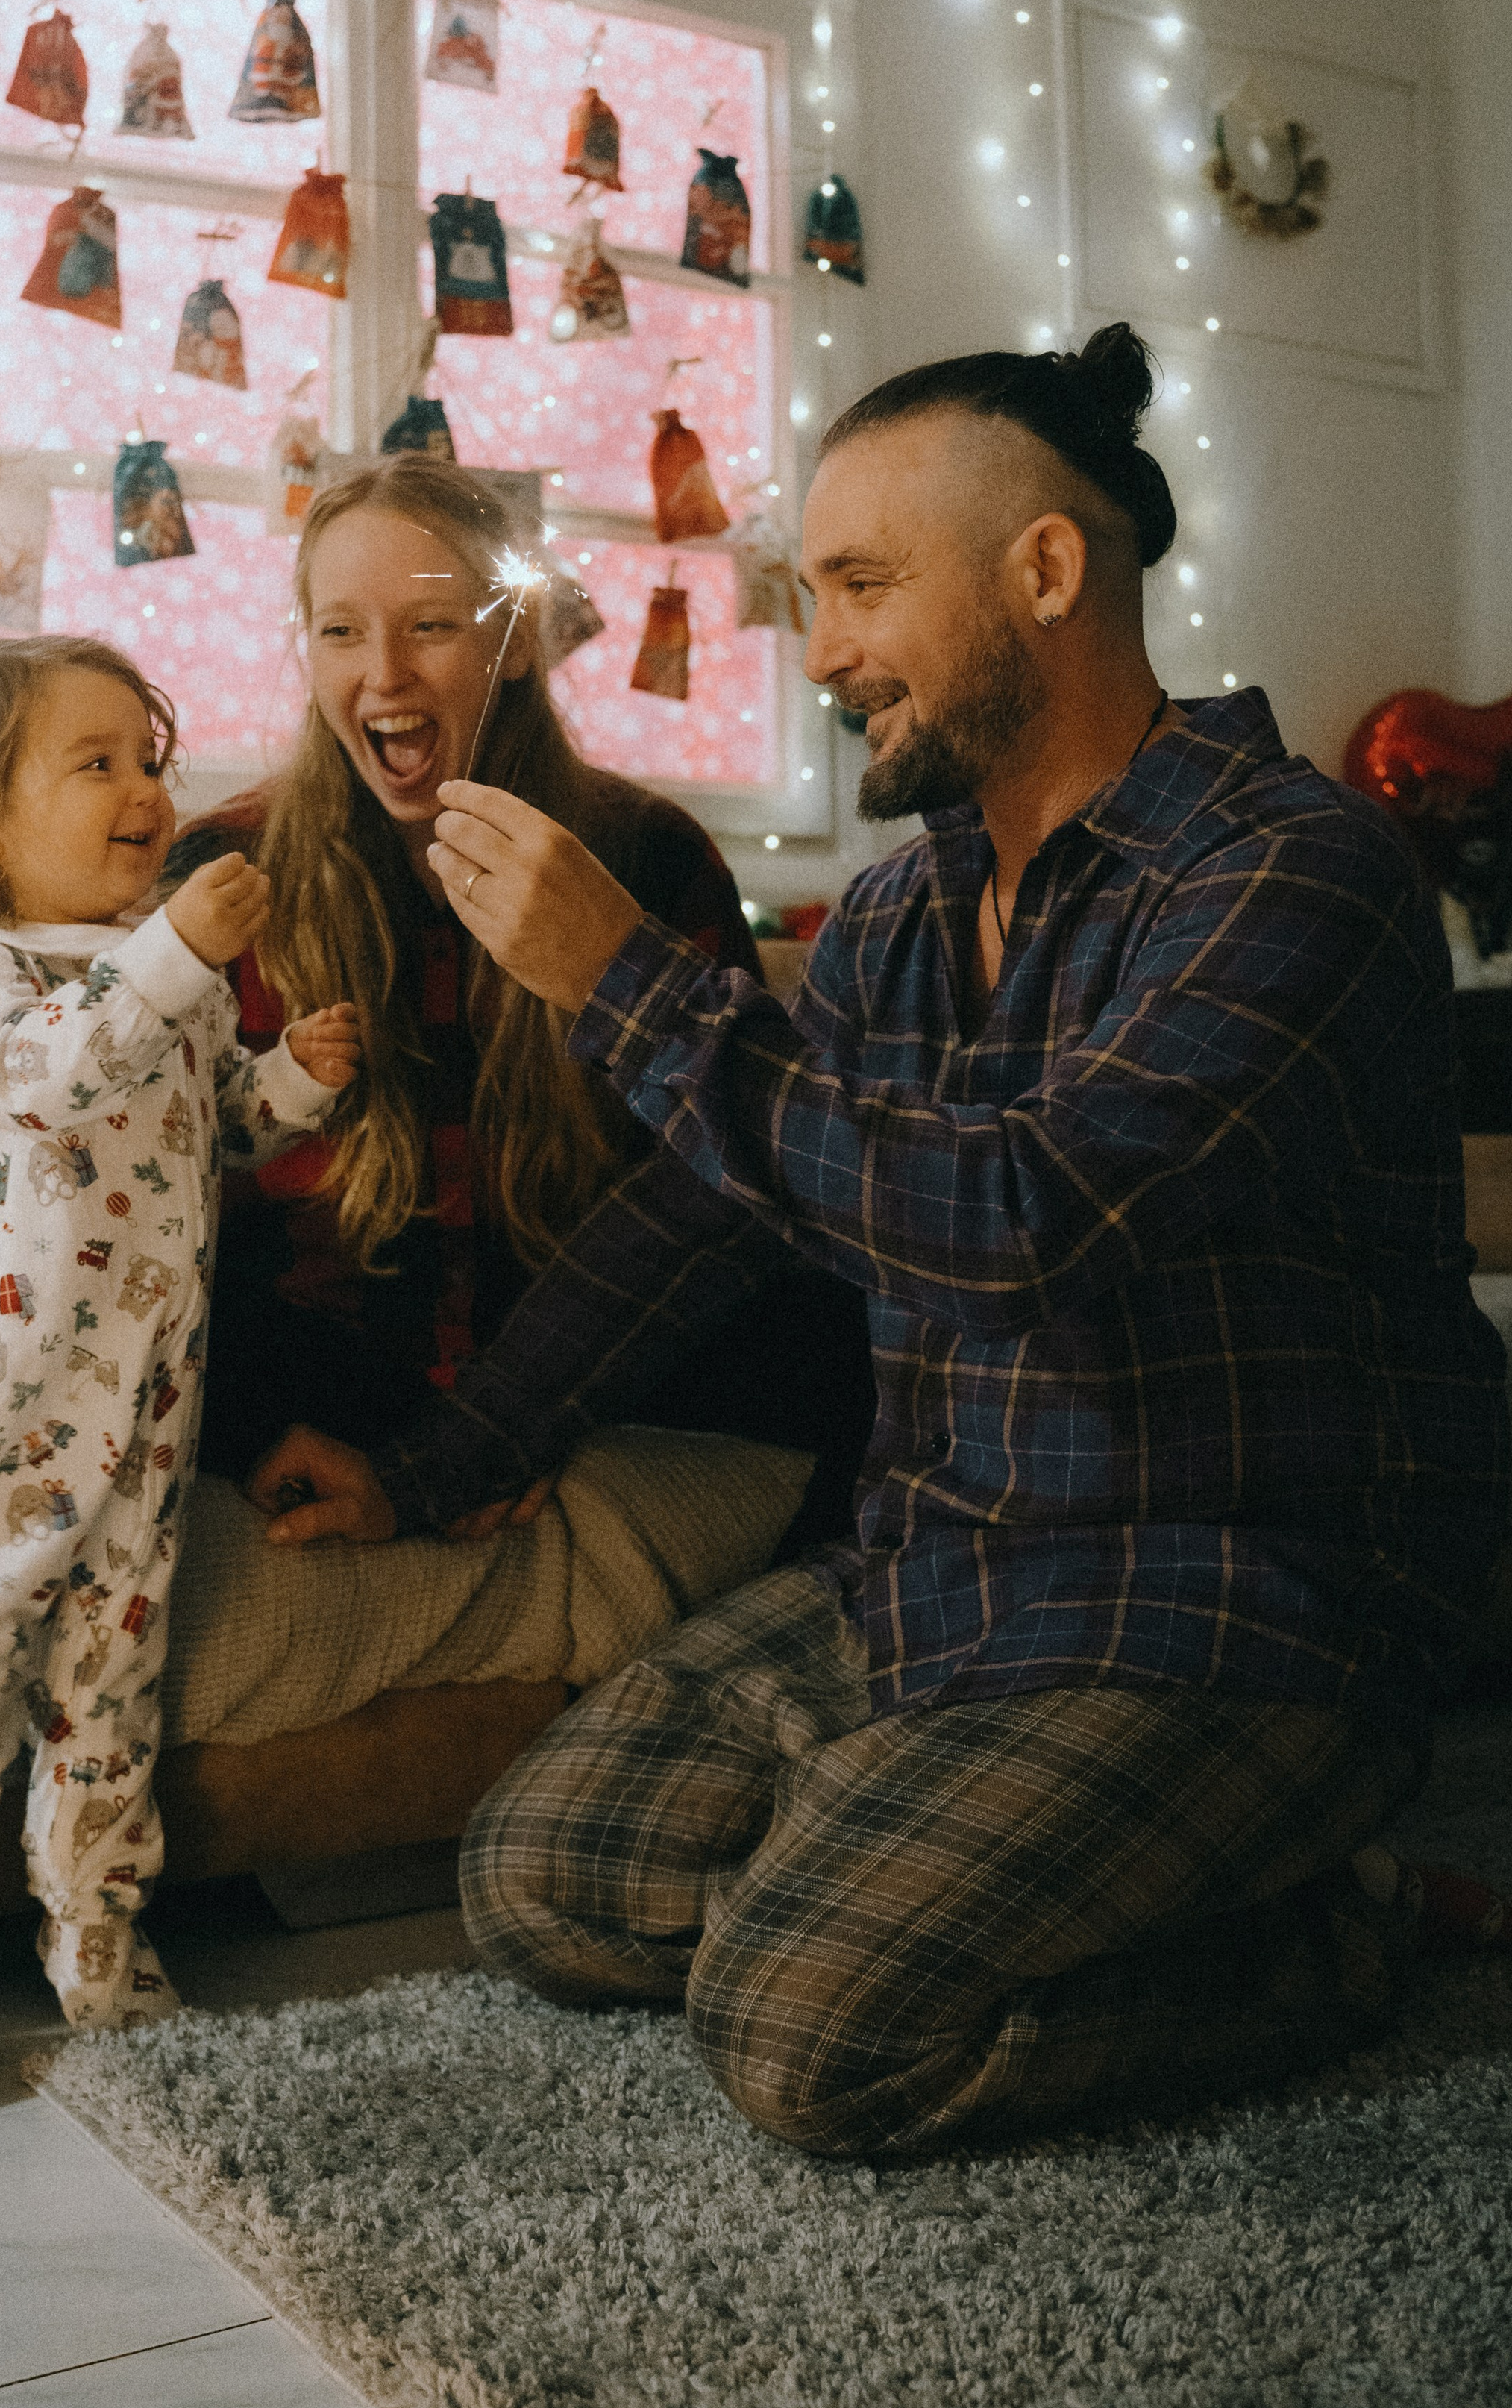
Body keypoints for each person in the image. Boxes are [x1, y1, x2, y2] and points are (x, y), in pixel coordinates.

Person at [257, 325, 1511, 2160]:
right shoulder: (898, 915)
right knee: (540, 1882)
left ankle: (1344, 1924)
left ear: (1046, 573)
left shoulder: (1292, 871)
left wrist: (628, 985)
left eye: (858, 587)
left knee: (806, 2036)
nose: (820, 649)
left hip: (1235, 1603)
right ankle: (933, 1848)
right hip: (941, 1572)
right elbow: (698, 1216)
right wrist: (436, 1462)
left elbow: (1022, 1221)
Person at [0, 635, 359, 2132]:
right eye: (97, 762)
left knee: (106, 1702)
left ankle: (101, 1941)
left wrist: (290, 1079)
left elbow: (211, 1138)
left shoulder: (170, 982)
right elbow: (54, 1074)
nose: (144, 789)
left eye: (150, 755)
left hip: (142, 1424)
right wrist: (178, 949)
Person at [167, 453, 871, 1535]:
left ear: (511, 643)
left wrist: (523, 1423)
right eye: (342, 631)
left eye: (433, 627)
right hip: (318, 1375)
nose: (385, 675)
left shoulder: (646, 857)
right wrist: (255, 1419)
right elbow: (146, 1210)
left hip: (594, 1368)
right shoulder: (218, 882)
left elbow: (724, 1194)